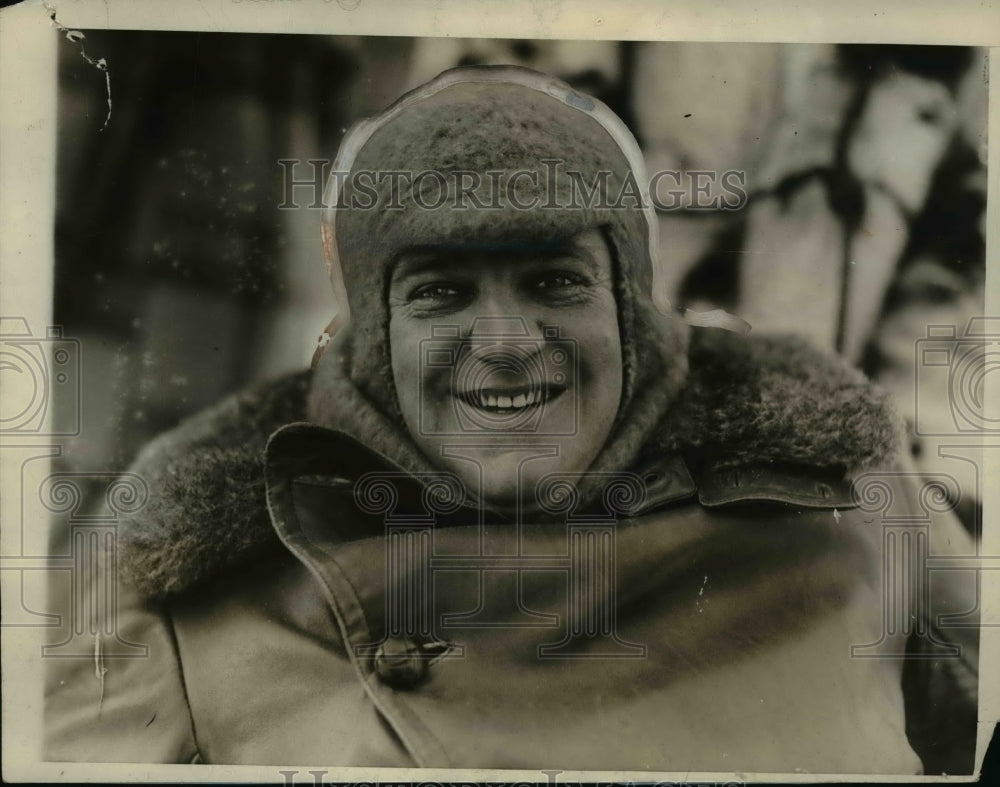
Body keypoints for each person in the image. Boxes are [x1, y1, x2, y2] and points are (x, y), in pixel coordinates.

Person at [45, 66, 977, 773]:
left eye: (554, 281)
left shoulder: (848, 492)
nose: (504, 340)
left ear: (633, 308)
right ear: (371, 336)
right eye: (442, 291)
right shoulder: (175, 583)